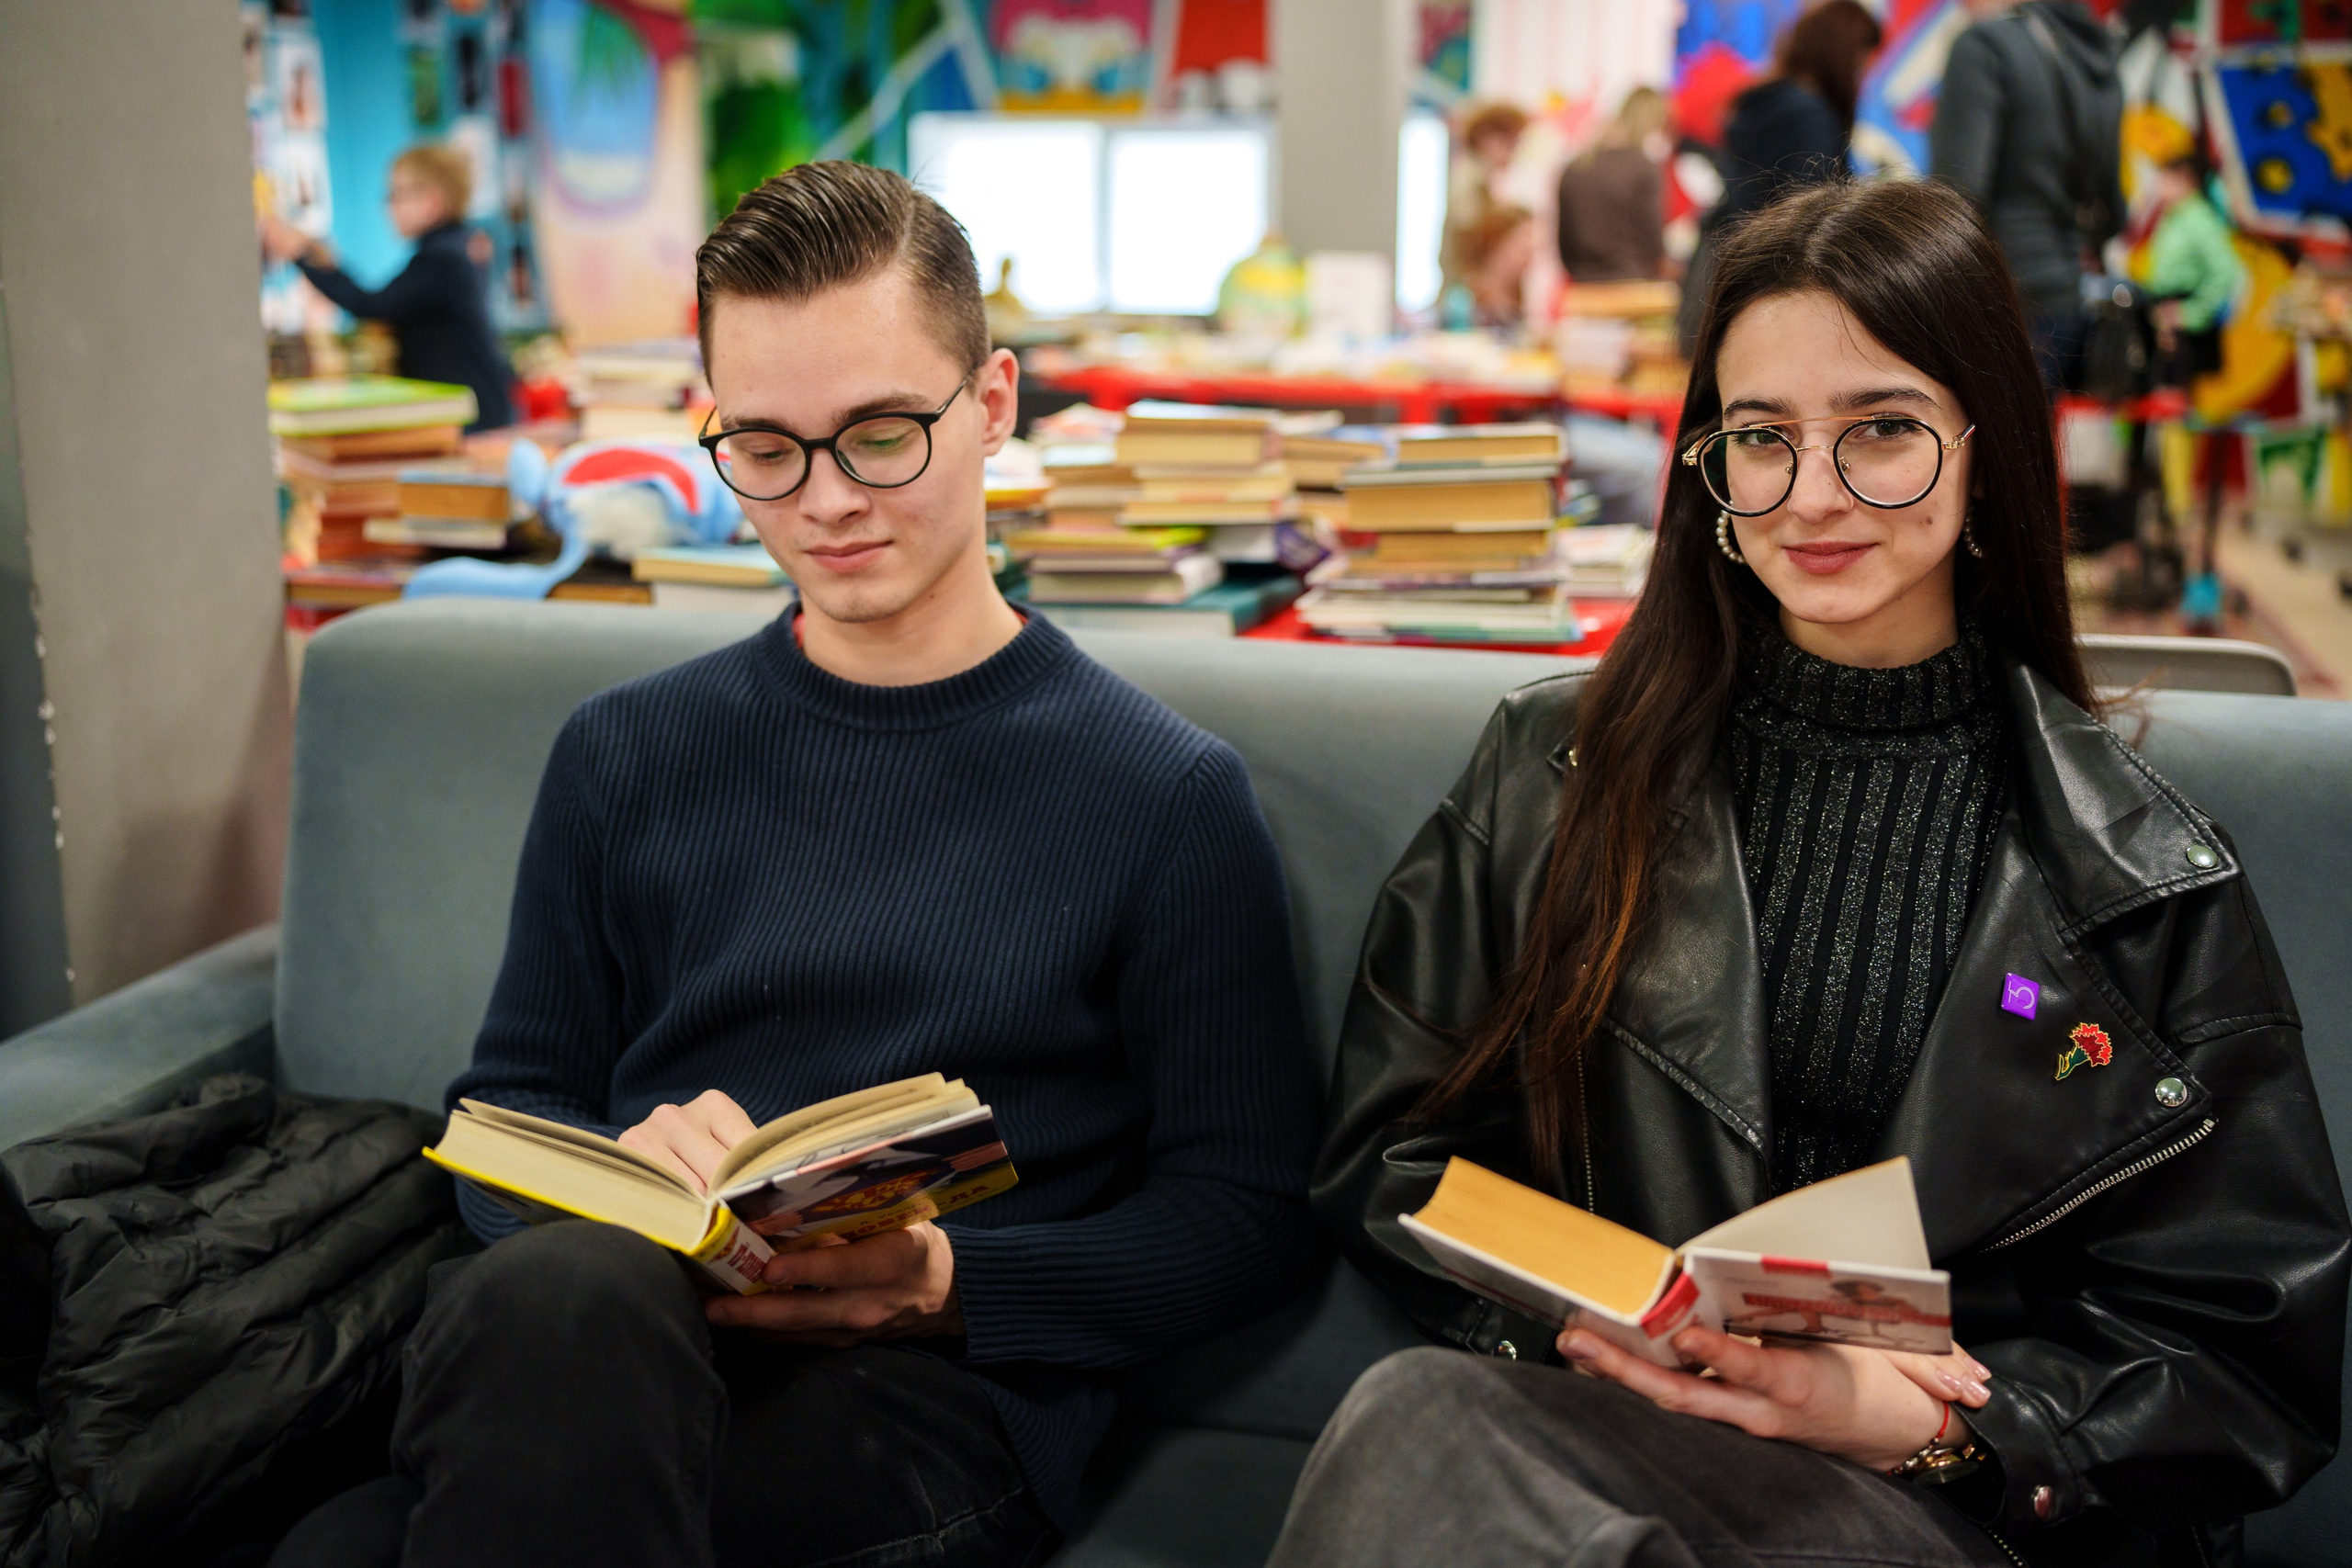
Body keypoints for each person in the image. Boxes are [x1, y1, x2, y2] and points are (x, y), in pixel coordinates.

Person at [1275, 179, 2346, 1568]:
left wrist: (1917, 1423)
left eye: (1882, 429)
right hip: (1631, 1435)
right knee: (1421, 1416)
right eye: (1761, 438)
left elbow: (2244, 1352)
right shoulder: (1555, 774)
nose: (1814, 495)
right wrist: (1602, 1335)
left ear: (1986, 450)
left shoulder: (2142, 871)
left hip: (1954, 1507)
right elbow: (1396, 1152)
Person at [270, 162, 1318, 1568]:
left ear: (994, 402)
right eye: (765, 448)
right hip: (612, 1334)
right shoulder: (624, 750)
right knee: (533, 1326)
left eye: (882, 435)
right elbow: (505, 1110)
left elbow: (1247, 1216)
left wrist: (944, 1278)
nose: (826, 500)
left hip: (926, 1396)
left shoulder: (1161, 794)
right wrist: (614, 1173)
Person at [1930, 0, 2125, 392]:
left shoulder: (1982, 47)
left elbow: (1957, 195)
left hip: (1996, 299)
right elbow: (2114, 210)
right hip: (2067, 295)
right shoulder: (2098, 59)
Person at [260, 143, 515, 431]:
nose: (388, 207)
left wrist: (301, 253)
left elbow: (371, 306)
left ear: (431, 202)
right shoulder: (459, 246)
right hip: (479, 409)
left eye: (396, 195)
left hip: (472, 420)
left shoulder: (441, 259)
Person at [1679, 0, 1883, 350]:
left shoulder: (1760, 103)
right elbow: (1810, 223)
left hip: (1729, 271)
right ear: (1842, 52)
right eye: (1861, 61)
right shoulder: (1810, 115)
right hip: (1773, 287)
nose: (1862, 74)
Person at [2143, 151, 2244, 384]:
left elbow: (2226, 271)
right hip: (2168, 317)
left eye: (2165, 178)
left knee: (2182, 395)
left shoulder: (2199, 218)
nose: (2158, 185)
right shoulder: (2174, 216)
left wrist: (2191, 313)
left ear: (2185, 179)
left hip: (2189, 330)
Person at [1555, 86, 1670, 285]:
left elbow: (1565, 238)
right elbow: (1651, 235)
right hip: (1632, 281)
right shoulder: (1643, 167)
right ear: (1652, 122)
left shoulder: (1575, 167)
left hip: (1582, 281)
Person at [1442, 101, 1530, 299]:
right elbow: (1469, 237)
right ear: (1488, 138)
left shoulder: (1479, 179)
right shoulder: (1468, 179)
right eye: (1511, 144)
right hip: (1462, 291)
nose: (1514, 154)